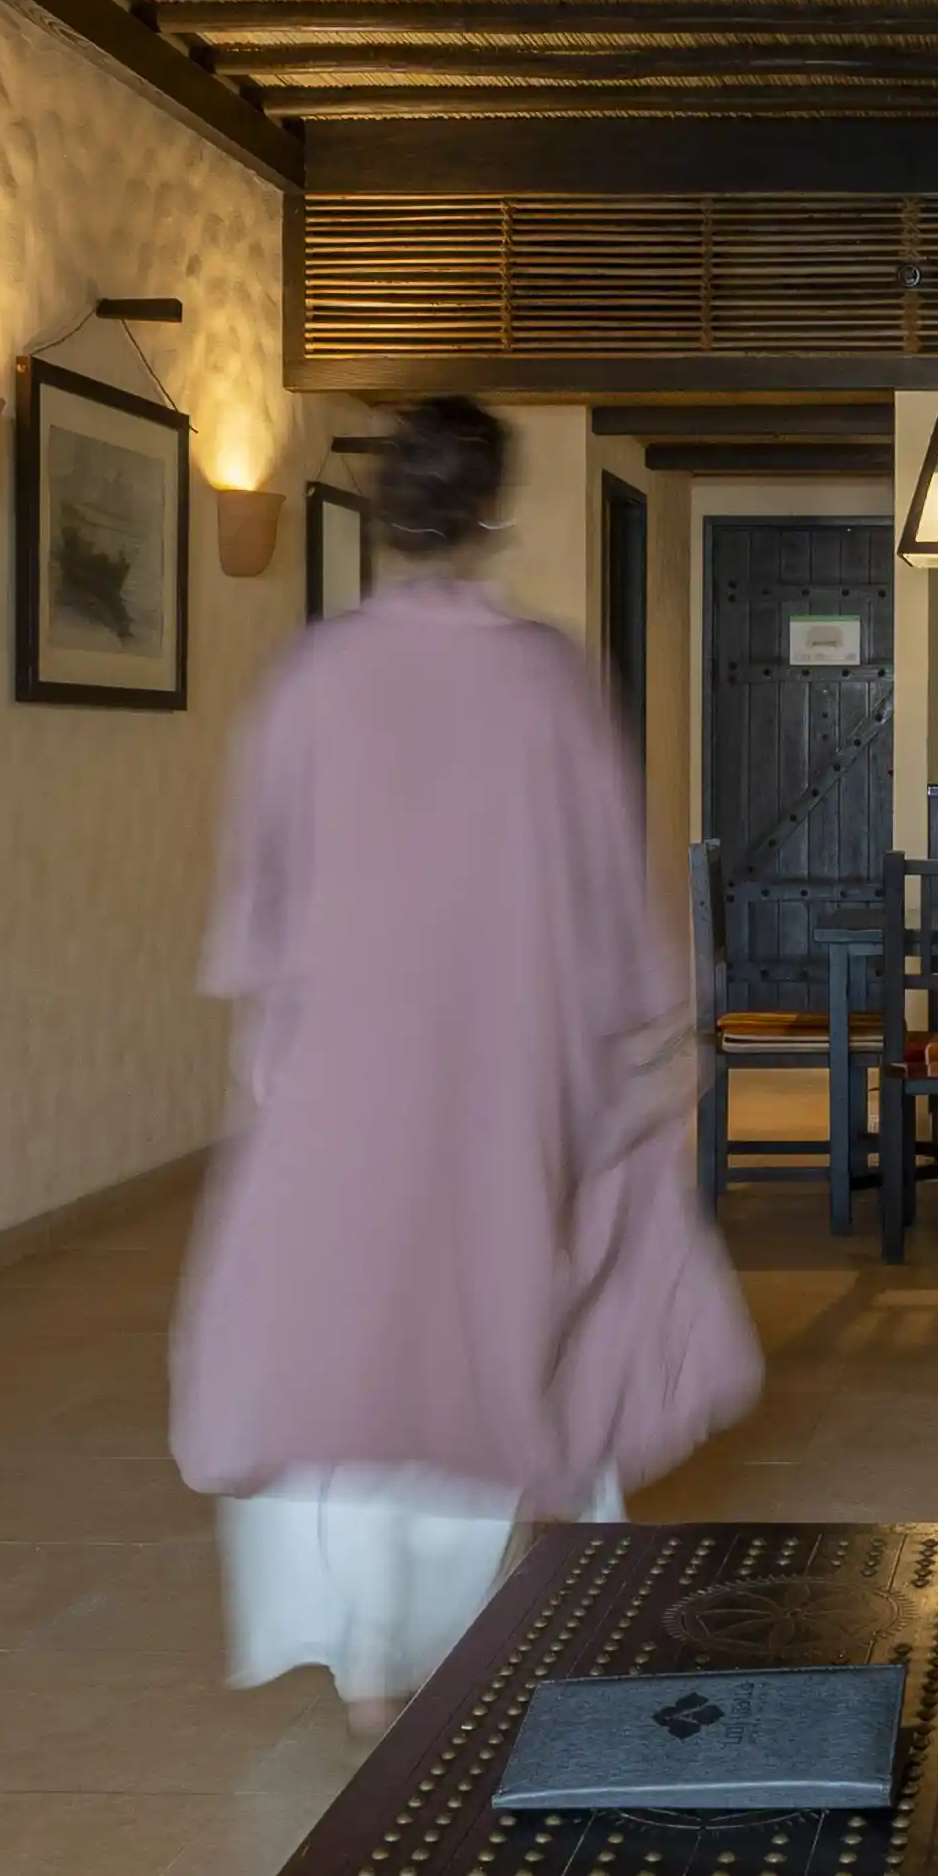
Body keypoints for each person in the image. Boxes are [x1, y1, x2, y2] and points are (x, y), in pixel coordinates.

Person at [173, 395, 759, 1733]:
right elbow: (616, 892)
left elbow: (263, 905)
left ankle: (374, 1655)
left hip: (349, 1070)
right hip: (511, 1064)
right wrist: (671, 1040)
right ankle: (505, 1607)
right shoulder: (547, 677)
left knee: (353, 1328)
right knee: (507, 1313)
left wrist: (278, 1049)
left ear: (384, 514)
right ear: (495, 513)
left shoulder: (310, 679)